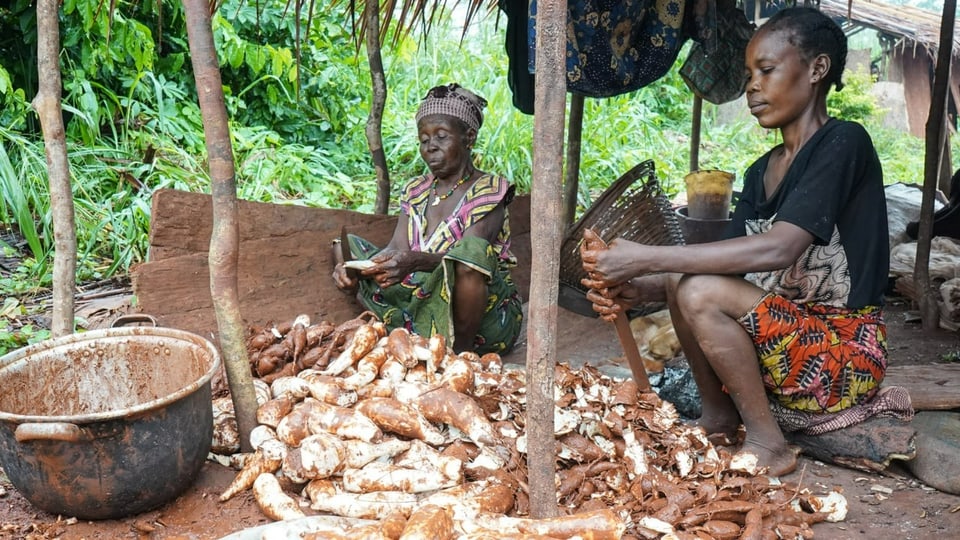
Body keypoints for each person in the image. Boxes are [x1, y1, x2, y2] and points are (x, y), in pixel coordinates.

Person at [581, 7, 894, 477]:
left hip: (842, 357)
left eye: (766, 71)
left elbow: (778, 249)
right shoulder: (760, 170)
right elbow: (731, 269)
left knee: (697, 287)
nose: (751, 86)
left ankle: (770, 443)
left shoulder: (843, 143)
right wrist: (640, 287)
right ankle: (719, 419)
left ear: (817, 69)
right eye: (750, 74)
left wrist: (644, 257)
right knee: (686, 280)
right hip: (783, 345)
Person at [332, 83, 523, 355]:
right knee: (342, 245)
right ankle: (409, 330)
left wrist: (415, 261)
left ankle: (460, 355)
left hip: (482, 317)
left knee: (471, 254)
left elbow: (470, 258)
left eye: (441, 137)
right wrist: (356, 266)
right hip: (421, 294)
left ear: (469, 137)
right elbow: (397, 246)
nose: (430, 147)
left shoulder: (491, 189)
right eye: (424, 140)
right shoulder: (416, 190)